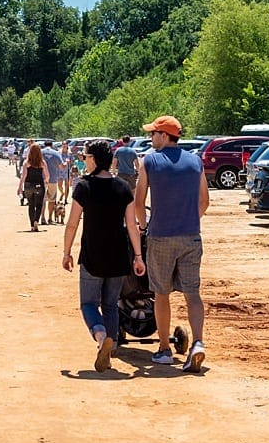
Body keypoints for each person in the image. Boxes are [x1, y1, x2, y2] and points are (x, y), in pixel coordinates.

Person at [134, 115, 210, 372]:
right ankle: (198, 344)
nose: (150, 138)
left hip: (161, 236)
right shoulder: (195, 161)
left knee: (161, 293)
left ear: (164, 136)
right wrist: (188, 219)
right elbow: (204, 201)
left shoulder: (150, 161)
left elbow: (138, 200)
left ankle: (165, 349)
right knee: (192, 294)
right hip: (191, 235)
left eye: (153, 134)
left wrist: (143, 227)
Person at [62, 140, 145, 372]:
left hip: (92, 255)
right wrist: (138, 256)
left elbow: (72, 224)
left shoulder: (84, 186)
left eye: (86, 157)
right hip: (119, 255)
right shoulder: (122, 187)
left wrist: (66, 252)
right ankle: (113, 345)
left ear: (95, 159)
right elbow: (131, 225)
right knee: (110, 304)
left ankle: (101, 338)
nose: (84, 160)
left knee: (88, 303)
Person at [17, 143, 48, 232]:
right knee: (39, 205)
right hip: (39, 185)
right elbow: (47, 175)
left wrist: (20, 187)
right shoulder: (42, 162)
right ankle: (36, 221)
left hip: (28, 185)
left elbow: (23, 176)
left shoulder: (26, 162)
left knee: (31, 205)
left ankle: (31, 225)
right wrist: (46, 182)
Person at [41, 141, 65, 224]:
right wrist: (66, 163)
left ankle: (42, 217)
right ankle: (50, 218)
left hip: (42, 179)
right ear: (52, 145)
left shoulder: (40, 153)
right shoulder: (56, 153)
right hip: (53, 178)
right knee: (52, 199)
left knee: (42, 199)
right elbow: (62, 167)